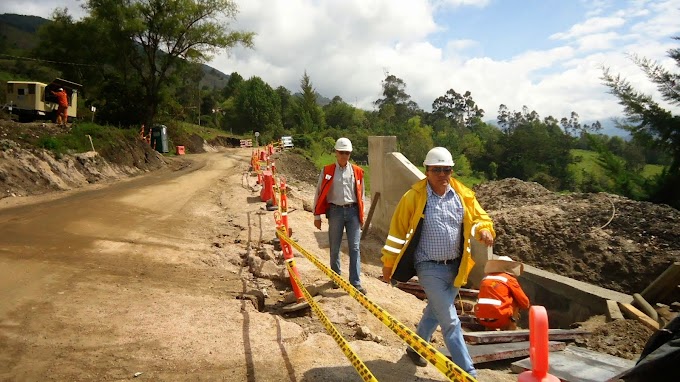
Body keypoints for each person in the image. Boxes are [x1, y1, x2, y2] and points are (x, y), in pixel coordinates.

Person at [381, 146, 495, 377]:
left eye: (447, 170)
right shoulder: (414, 197)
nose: (443, 175)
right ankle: (467, 372)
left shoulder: (462, 195)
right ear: (427, 171)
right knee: (450, 320)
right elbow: (397, 232)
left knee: (436, 310)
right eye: (437, 170)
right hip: (428, 266)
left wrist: (484, 229)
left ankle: (416, 346)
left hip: (456, 266)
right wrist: (388, 263)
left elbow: (478, 218)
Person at [313, 137, 367, 295]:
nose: (344, 155)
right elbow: (319, 192)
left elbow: (361, 195)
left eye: (347, 153)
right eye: (341, 152)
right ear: (336, 153)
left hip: (353, 212)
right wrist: (317, 215)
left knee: (355, 247)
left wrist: (361, 216)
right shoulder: (327, 171)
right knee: (335, 246)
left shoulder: (357, 172)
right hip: (335, 211)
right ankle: (336, 278)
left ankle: (355, 283)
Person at [474, 256, 530, 331]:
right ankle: (510, 329)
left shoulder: (485, 279)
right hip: (501, 319)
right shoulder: (509, 279)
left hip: (481, 319)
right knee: (515, 301)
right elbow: (525, 303)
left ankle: (489, 328)